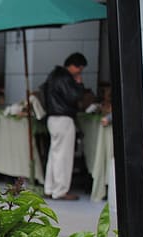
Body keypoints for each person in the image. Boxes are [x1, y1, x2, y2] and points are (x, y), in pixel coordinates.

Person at [42, 52, 88, 201]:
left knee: (54, 154)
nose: (80, 73)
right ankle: (60, 190)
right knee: (64, 156)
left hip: (52, 117)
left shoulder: (53, 75)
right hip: (64, 118)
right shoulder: (66, 78)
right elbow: (74, 97)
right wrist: (79, 84)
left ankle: (49, 187)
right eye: (80, 69)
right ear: (74, 66)